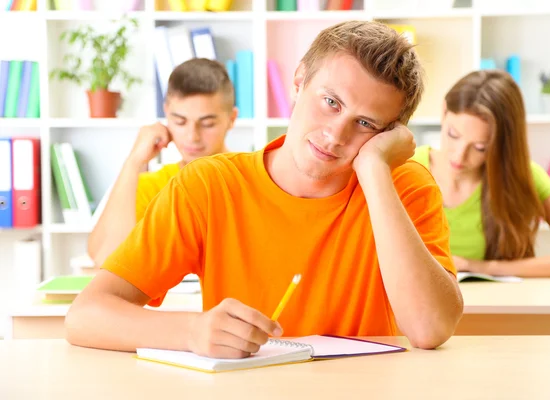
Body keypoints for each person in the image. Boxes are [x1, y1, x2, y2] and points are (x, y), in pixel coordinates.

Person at [66, 20, 464, 357]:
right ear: (298, 82)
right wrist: (190, 332)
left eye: (366, 124)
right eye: (330, 102)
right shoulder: (208, 186)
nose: (334, 134)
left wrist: (375, 171)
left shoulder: (404, 186)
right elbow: (85, 315)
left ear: (391, 133)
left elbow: (430, 329)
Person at [411, 69, 550, 278]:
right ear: (444, 111)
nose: (459, 156)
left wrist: (481, 267)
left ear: (502, 144)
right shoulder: (406, 168)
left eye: (480, 147)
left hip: (496, 308)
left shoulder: (523, 176)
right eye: (453, 135)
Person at [87, 58, 238, 267]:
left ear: (232, 118)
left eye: (207, 124)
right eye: (180, 121)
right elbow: (106, 258)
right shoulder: (153, 186)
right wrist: (134, 162)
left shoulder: (250, 178)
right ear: (166, 112)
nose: (192, 136)